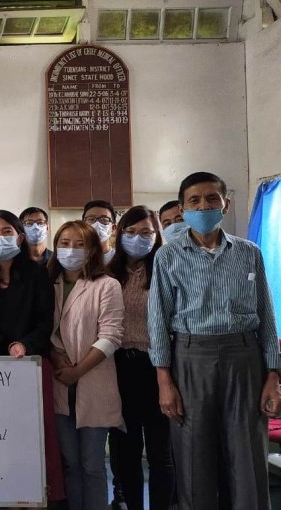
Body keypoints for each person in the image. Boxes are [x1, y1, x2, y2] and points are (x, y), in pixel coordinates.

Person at [148, 172, 279, 510]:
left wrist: (273, 377)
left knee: (248, 455)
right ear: (183, 207)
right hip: (190, 359)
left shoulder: (249, 253)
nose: (203, 206)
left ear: (225, 205)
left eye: (211, 199)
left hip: (243, 357)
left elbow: (266, 316)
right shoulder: (168, 256)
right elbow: (158, 323)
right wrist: (164, 381)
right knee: (194, 458)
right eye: (194, 200)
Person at [0, 210, 64, 507]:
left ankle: (36, 497)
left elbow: (45, 322)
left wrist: (24, 344)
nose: (0, 238)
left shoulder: (37, 273)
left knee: (34, 440)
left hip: (29, 367)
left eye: (7, 231)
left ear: (20, 237)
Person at [47, 220, 124, 510]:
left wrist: (77, 371)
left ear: (93, 249)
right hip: (59, 382)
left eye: (80, 244)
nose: (71, 249)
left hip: (93, 381)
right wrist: (58, 362)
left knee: (92, 464)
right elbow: (45, 331)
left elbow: (111, 336)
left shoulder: (107, 285)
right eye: (65, 243)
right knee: (70, 463)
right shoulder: (48, 283)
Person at [106, 206, 174, 510]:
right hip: (118, 367)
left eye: (146, 232)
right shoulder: (108, 270)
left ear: (156, 234)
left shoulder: (167, 266)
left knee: (161, 453)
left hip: (158, 367)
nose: (138, 238)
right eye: (130, 232)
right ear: (120, 234)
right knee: (126, 451)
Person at [82, 200, 117, 265]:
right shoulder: (75, 257)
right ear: (82, 225)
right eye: (91, 219)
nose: (97, 224)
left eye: (104, 219)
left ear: (113, 228)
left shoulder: (119, 259)